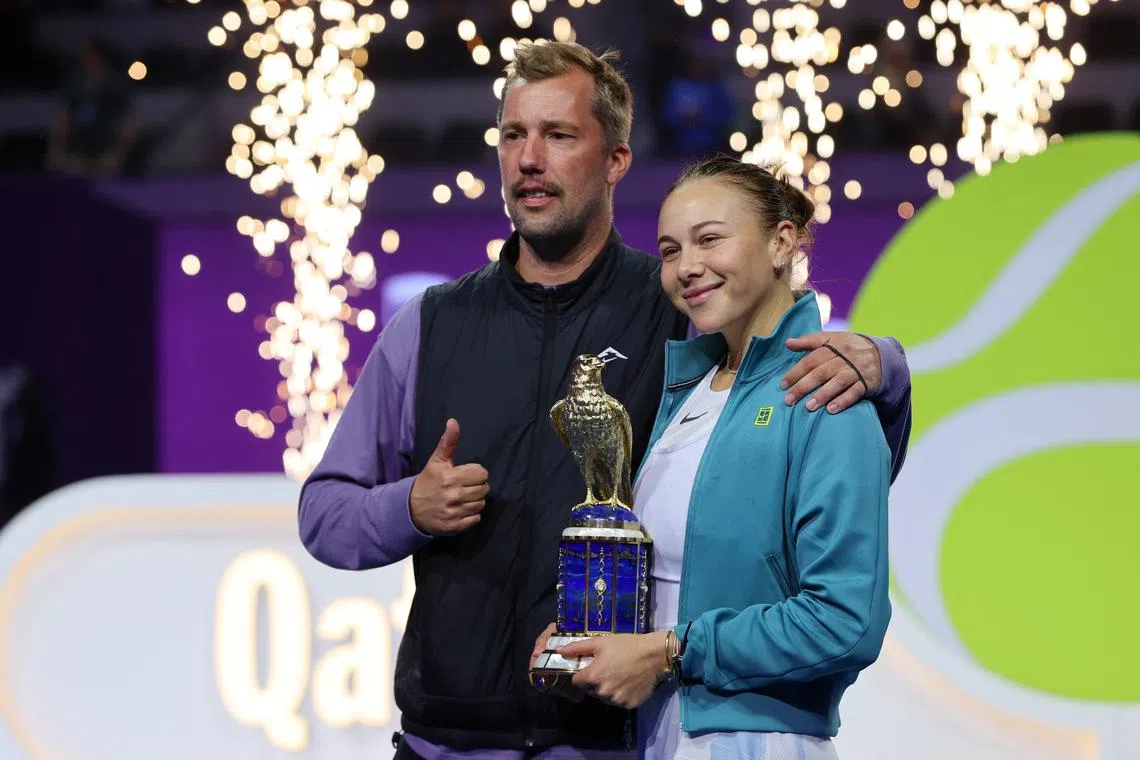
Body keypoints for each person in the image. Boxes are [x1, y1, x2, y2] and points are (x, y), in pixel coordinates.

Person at [298, 40, 910, 760]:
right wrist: (408, 509)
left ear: (616, 160)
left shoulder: (682, 316)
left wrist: (886, 366)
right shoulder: (429, 327)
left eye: (559, 136)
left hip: (615, 741)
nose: (529, 158)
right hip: (445, 741)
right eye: (514, 135)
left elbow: (804, 426)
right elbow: (324, 514)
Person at [537, 156, 890, 759]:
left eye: (709, 240)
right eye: (670, 251)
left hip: (757, 742)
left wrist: (671, 652)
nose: (687, 268)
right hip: (656, 737)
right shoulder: (686, 394)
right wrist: (595, 639)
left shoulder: (827, 394)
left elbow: (845, 619)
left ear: (781, 242)